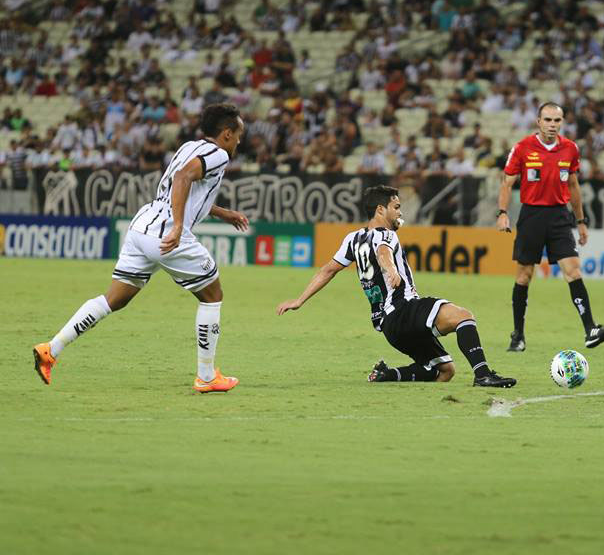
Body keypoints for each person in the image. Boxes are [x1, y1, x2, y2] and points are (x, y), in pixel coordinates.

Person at [32, 104, 249, 393]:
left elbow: (183, 187)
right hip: (166, 232)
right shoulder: (219, 154)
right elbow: (184, 179)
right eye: (238, 134)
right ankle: (207, 377)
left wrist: (223, 213)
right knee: (212, 296)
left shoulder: (189, 147)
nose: (239, 141)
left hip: (142, 226)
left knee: (114, 298)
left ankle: (51, 349)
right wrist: (177, 227)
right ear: (225, 134)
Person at [276, 185, 516, 388]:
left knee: (445, 372)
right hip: (403, 310)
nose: (400, 212)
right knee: (463, 317)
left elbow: (328, 269)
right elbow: (383, 252)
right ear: (381, 209)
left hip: (389, 328)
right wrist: (390, 269)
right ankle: (482, 375)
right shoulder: (385, 234)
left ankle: (387, 374)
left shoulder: (353, 239)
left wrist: (299, 300)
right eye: (396, 207)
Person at [497, 102, 604, 352]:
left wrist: (581, 221)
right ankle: (518, 335)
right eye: (547, 120)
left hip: (560, 217)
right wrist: (503, 213)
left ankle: (590, 329)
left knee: (573, 270)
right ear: (538, 121)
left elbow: (573, 185)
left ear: (562, 123)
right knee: (524, 276)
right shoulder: (522, 148)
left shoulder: (570, 149)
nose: (552, 125)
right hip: (531, 217)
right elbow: (507, 183)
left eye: (557, 121)